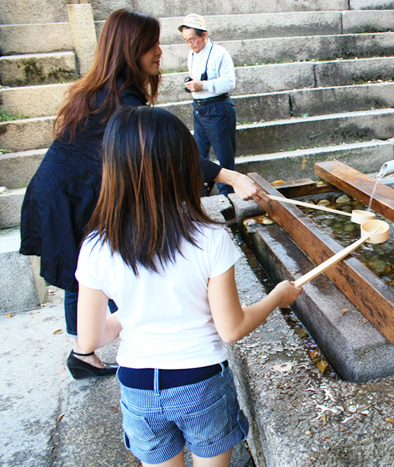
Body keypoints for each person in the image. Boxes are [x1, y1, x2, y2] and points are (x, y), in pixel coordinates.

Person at [19, 9, 263, 380]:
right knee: (84, 272)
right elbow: (166, 153)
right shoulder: (121, 101)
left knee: (84, 272)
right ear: (130, 49)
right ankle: (92, 349)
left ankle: (83, 349)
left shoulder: (109, 89)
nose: (159, 52)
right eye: (150, 45)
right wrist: (229, 174)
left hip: (67, 188)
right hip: (71, 193)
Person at [76, 105, 301, 466]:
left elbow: (88, 340)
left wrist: (134, 314)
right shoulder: (209, 239)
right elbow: (231, 328)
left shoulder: (96, 247)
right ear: (182, 167)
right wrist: (277, 297)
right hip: (200, 384)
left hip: (137, 388)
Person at [179, 14, 239, 196]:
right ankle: (200, 194)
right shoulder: (191, 54)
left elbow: (229, 82)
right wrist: (192, 86)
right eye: (186, 40)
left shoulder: (220, 53)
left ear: (203, 35)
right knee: (197, 155)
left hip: (218, 108)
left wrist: (203, 85)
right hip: (199, 108)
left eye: (193, 39)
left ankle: (227, 198)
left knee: (224, 157)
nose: (190, 44)